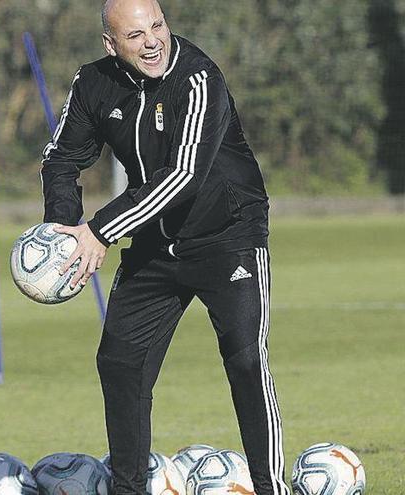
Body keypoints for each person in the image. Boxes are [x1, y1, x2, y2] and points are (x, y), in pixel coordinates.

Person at [42, 0, 289, 493]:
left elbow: (183, 175)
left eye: (157, 25)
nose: (152, 40)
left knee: (244, 358)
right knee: (119, 361)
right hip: (156, 239)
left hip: (228, 234)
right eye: (135, 35)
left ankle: (270, 486)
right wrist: (62, 232)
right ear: (111, 45)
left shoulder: (199, 77)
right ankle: (127, 488)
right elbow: (61, 159)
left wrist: (99, 230)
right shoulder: (92, 82)